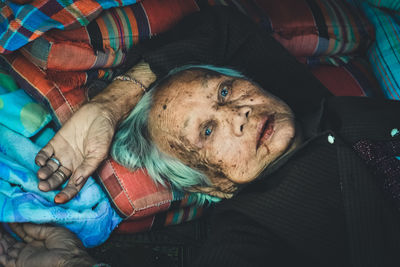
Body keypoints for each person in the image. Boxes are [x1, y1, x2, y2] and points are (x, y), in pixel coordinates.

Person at [3, 5, 400, 267]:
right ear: (215, 186)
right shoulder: (250, 230)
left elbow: (223, 27)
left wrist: (112, 102)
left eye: (225, 91)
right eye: (207, 131)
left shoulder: (297, 106)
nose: (239, 115)